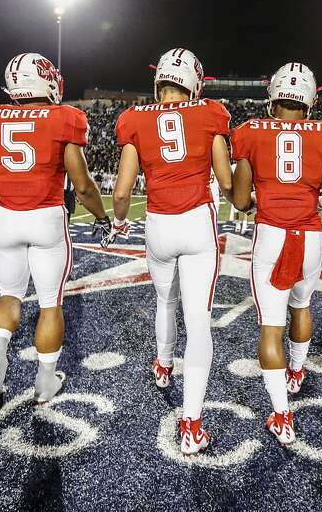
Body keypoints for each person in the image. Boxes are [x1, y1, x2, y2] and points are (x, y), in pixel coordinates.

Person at [0, 52, 111, 413]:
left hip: (7, 218)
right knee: (50, 303)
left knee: (9, 295)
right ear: (46, 79)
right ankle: (45, 382)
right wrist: (102, 217)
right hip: (46, 217)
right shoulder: (65, 118)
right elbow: (83, 184)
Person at [108, 48, 233, 455]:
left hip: (158, 224)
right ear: (195, 82)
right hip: (197, 221)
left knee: (165, 300)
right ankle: (191, 423)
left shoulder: (134, 119)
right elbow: (225, 180)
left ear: (158, 80)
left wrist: (120, 220)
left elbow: (122, 190)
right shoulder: (211, 112)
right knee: (198, 319)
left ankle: (163, 366)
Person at [231, 62, 322, 445]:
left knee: (270, 325)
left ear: (273, 95)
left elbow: (241, 200)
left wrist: (255, 197)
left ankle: (282, 415)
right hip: (309, 235)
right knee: (302, 306)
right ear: (311, 99)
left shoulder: (250, 131)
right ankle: (296, 370)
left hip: (271, 235)